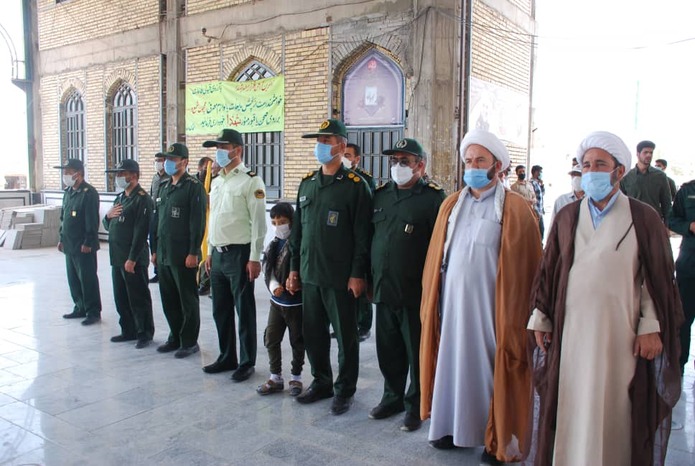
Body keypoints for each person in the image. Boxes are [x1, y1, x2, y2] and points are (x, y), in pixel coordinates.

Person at [529, 131, 683, 466]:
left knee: (614, 410)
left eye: (600, 164)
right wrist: (541, 317)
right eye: (586, 165)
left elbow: (656, 280)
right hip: (571, 335)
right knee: (571, 405)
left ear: (619, 170)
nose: (591, 171)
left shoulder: (643, 218)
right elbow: (549, 269)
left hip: (619, 338)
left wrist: (650, 326)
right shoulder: (568, 216)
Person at [420, 130, 542, 464]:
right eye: (469, 161)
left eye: (480, 161)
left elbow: (530, 267)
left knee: (493, 371)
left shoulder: (516, 209)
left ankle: (496, 440)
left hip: (493, 313)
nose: (473, 167)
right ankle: (451, 428)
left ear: (497, 165)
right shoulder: (451, 205)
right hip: (452, 308)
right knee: (452, 365)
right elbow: (437, 258)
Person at [287, 119, 372, 416]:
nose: (320, 146)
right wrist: (294, 269)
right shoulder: (308, 183)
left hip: (340, 277)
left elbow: (363, 236)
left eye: (327, 141)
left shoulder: (356, 187)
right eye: (319, 141)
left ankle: (345, 389)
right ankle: (321, 381)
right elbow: (298, 233)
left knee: (346, 336)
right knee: (314, 333)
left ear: (341, 145)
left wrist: (358, 273)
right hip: (310, 273)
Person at [368, 138, 446, 433]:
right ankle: (392, 398)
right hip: (384, 287)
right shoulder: (380, 195)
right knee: (388, 349)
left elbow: (441, 247)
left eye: (405, 161)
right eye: (394, 161)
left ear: (420, 165)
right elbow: (370, 238)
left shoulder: (433, 198)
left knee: (417, 352)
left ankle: (416, 406)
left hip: (415, 292)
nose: (397, 166)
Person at [201, 129, 267, 382]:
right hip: (217, 254)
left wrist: (254, 257)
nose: (218, 152)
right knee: (220, 309)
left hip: (240, 254)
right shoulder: (217, 181)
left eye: (223, 147)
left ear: (237, 150)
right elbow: (214, 218)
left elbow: (259, 223)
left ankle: (247, 361)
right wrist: (209, 251)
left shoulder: (251, 181)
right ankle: (227, 356)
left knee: (244, 309)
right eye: (216, 147)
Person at [150, 143, 207, 359]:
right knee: (169, 298)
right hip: (164, 253)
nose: (168, 163)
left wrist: (193, 252)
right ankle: (174, 336)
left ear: (185, 162)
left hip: (183, 254)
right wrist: (154, 250)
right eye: (167, 159)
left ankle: (189, 341)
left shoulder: (193, 187)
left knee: (187, 299)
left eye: (173, 159)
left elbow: (197, 222)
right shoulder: (164, 186)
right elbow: (157, 221)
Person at [103, 159, 155, 348]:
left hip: (133, 259)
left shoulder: (142, 199)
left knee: (138, 297)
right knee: (121, 297)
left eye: (121, 174)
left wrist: (132, 258)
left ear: (134, 175)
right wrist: (107, 216)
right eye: (117, 174)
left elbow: (141, 232)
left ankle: (144, 332)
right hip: (117, 256)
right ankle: (128, 330)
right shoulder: (120, 198)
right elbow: (108, 225)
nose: (118, 177)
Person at [256, 202, 305, 396]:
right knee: (271, 339)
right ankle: (275, 376)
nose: (279, 226)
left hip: (296, 303)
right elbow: (267, 270)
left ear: (292, 221)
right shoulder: (274, 244)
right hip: (277, 303)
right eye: (275, 222)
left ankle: (296, 377)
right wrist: (274, 286)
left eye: (283, 221)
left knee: (297, 341)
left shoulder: (299, 244)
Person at [55, 158, 102, 326]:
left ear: (79, 173)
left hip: (83, 245)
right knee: (73, 279)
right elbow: (64, 218)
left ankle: (93, 311)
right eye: (64, 172)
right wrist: (61, 239)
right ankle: (79, 307)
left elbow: (92, 221)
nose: (65, 175)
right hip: (69, 244)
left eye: (68, 172)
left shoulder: (89, 193)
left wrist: (88, 242)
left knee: (87, 279)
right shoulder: (68, 192)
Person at [343, 142, 375, 342]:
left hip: (361, 238)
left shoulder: (366, 180)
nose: (344, 158)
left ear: (357, 159)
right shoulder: (338, 177)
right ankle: (348, 323)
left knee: (361, 285)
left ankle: (364, 326)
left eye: (348, 155)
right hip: (343, 242)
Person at [668, 179, 695, 375]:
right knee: (683, 319)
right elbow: (671, 220)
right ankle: (679, 366)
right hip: (689, 267)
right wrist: (689, 226)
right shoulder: (687, 191)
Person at [620, 140, 672, 221]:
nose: (649, 155)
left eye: (651, 153)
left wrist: (667, 224)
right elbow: (621, 202)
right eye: (645, 152)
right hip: (632, 221)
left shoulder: (660, 176)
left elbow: (667, 203)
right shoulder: (627, 176)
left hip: (654, 221)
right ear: (638, 154)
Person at [148, 153, 170, 283]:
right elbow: (152, 194)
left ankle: (163, 270)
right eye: (156, 160)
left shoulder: (169, 177)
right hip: (154, 212)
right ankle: (156, 270)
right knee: (153, 240)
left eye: (160, 160)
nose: (157, 163)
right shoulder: (155, 177)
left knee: (161, 240)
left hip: (163, 212)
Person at [530, 165, 545, 239]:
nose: (541, 173)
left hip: (540, 210)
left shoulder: (538, 183)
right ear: (535, 172)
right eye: (540, 172)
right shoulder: (531, 183)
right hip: (536, 212)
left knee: (541, 231)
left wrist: (542, 185)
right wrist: (536, 211)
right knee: (539, 231)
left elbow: (542, 195)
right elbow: (533, 197)